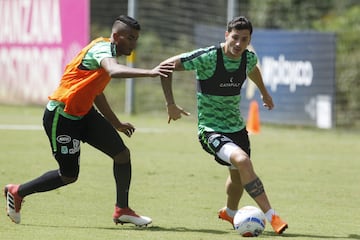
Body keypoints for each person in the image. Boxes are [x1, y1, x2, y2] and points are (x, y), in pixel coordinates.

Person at [4, 15, 174, 227]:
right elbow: (113, 70)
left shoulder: (109, 52)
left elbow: (97, 93)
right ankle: (17, 191)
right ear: (116, 36)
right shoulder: (102, 51)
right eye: (130, 38)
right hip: (62, 115)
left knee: (122, 155)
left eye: (136, 38)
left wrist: (116, 123)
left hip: (84, 114)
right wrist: (150, 73)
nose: (133, 43)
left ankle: (122, 209)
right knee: (69, 176)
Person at [159, 16, 288, 234]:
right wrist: (170, 104)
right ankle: (272, 216)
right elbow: (165, 66)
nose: (239, 44)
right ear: (226, 35)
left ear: (249, 40)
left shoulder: (248, 59)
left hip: (237, 129)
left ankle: (230, 212)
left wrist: (265, 93)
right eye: (235, 38)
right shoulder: (208, 57)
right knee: (243, 161)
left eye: (244, 39)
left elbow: (253, 68)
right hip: (211, 130)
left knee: (237, 176)